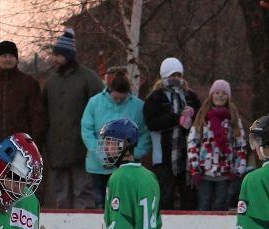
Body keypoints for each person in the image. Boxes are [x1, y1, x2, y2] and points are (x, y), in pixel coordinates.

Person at [43, 28, 104, 209]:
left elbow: (100, 110)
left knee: (83, 192)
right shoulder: (51, 82)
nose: (55, 59)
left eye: (59, 55)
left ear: (68, 56)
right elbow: (45, 113)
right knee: (61, 195)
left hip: (82, 150)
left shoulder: (89, 79)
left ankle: (85, 224)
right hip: (58, 151)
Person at [81, 69, 151, 205]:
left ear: (128, 93)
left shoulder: (138, 106)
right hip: (98, 167)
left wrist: (133, 154)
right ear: (109, 90)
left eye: (122, 98)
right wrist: (100, 152)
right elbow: (87, 130)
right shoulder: (94, 103)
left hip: (127, 166)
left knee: (124, 203)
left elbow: (145, 135)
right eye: (115, 97)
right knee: (100, 202)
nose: (118, 100)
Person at [143, 57, 201, 210]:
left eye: (178, 75)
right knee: (165, 196)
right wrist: (176, 118)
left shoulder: (190, 96)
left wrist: (192, 113)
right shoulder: (155, 97)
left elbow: (201, 118)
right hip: (164, 156)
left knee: (189, 197)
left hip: (187, 154)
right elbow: (152, 123)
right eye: (172, 75)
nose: (176, 78)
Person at [0, 41, 46, 161]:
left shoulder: (29, 84)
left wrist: (35, 147)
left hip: (22, 153)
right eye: (4, 56)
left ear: (17, 59)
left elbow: (38, 119)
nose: (8, 59)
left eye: (11, 56)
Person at [186, 79, 248, 211]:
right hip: (204, 171)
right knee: (204, 203)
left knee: (221, 204)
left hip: (225, 172)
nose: (220, 95)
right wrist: (194, 168)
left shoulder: (233, 118)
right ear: (211, 95)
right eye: (217, 92)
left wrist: (238, 170)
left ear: (228, 97)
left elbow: (241, 145)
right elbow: (192, 143)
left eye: (224, 93)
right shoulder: (203, 117)